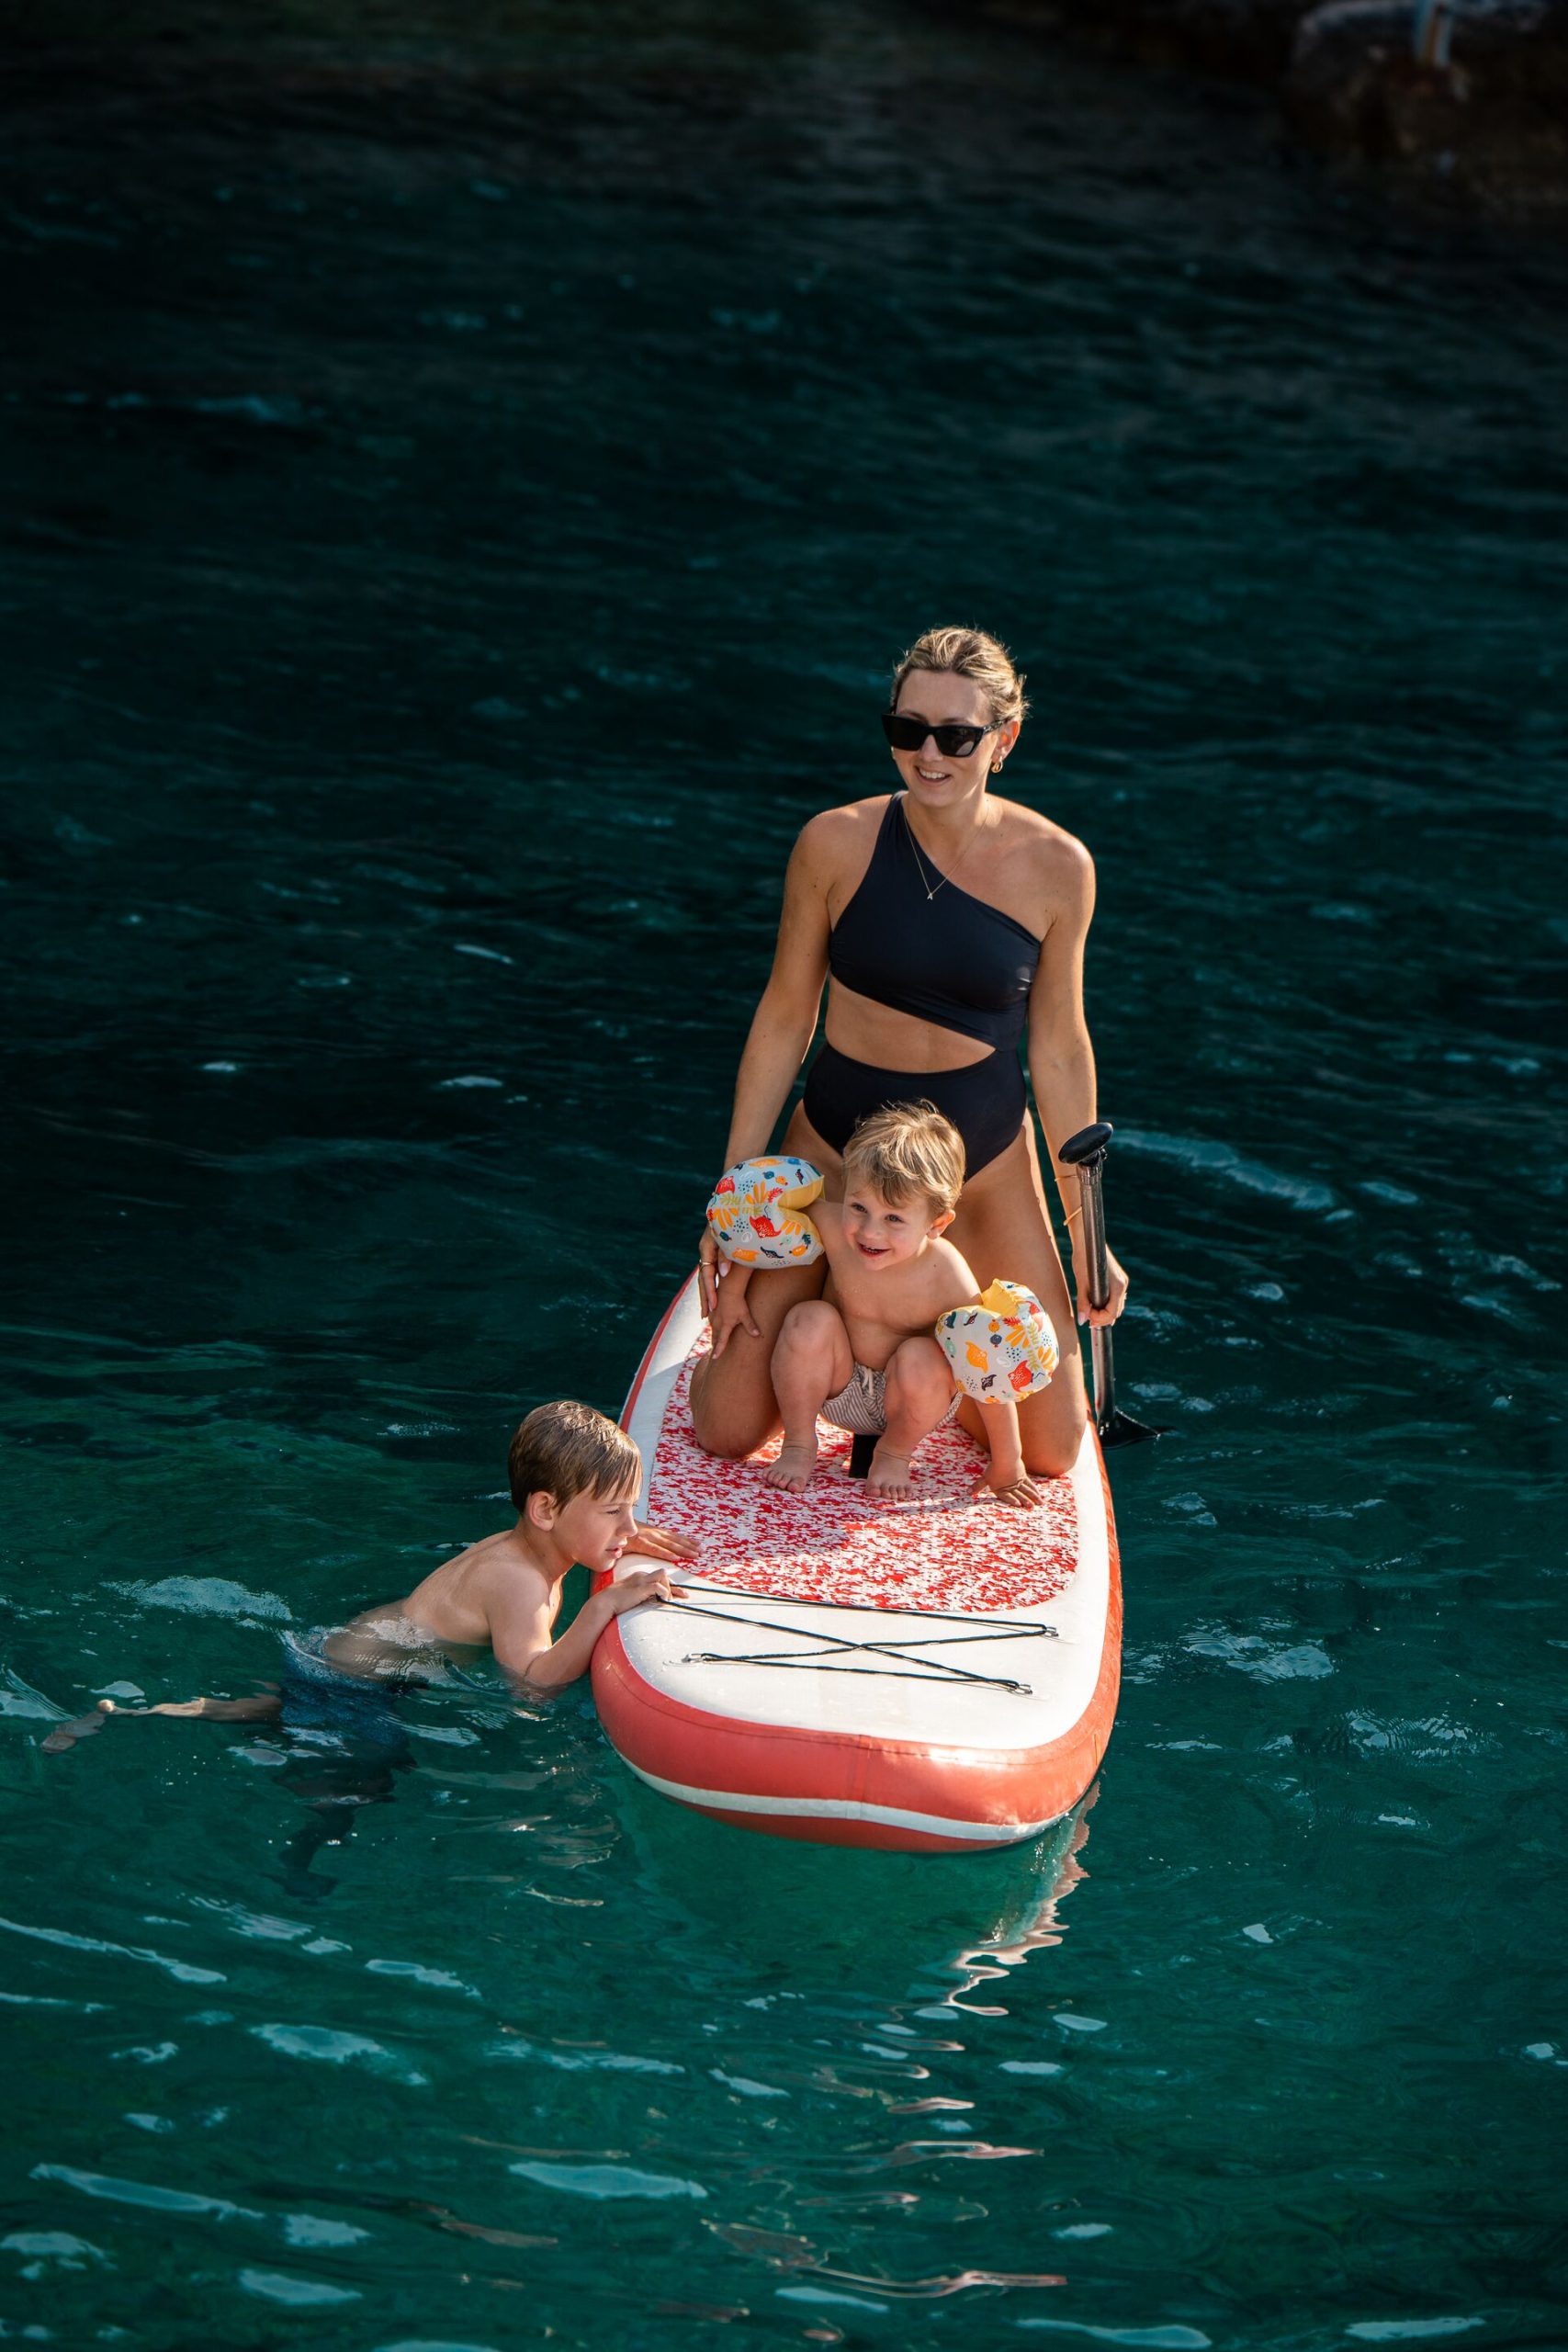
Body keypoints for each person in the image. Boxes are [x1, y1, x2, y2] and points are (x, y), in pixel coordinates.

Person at [693, 625, 1128, 1479]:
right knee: (726, 1429)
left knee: (1048, 1451)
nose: (929, 754)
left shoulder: (1057, 866)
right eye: (907, 730)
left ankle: (900, 1352)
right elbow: (785, 1015)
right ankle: (847, 1322)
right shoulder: (833, 843)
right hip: (833, 1156)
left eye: (956, 736)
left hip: (986, 1163)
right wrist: (733, 1194)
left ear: (1003, 739)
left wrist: (1089, 1233)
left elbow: (1061, 1047)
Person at [41, 1402, 692, 1883]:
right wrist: (602, 1605)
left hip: (347, 1652)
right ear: (547, 1510)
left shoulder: (526, 1547)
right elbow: (533, 1682)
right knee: (361, 1782)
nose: (628, 1527)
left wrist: (615, 1539)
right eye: (614, 1512)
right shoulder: (517, 1583)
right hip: (359, 1682)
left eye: (630, 1510)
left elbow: (543, 1623)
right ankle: (301, 1858)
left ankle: (124, 1714)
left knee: (262, 1712)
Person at [761, 1101, 1040, 1507]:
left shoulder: (946, 1273)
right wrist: (731, 1298)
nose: (869, 1231)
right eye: (859, 1207)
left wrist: (1008, 1460)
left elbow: (987, 1368)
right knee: (809, 1319)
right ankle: (800, 1443)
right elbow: (761, 1224)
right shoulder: (831, 1224)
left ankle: (893, 1453)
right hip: (839, 1386)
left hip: (910, 1399)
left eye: (894, 1219)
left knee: (923, 1355)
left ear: (937, 1224)